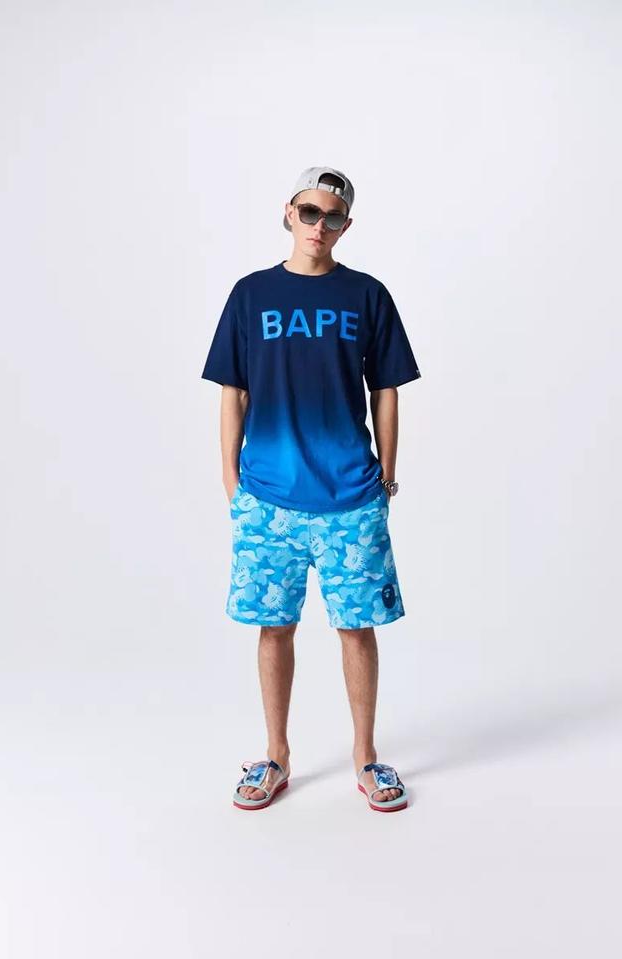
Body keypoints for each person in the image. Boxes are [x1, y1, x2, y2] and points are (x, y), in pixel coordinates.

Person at [201, 166, 421, 812]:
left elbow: (386, 388)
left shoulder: (367, 295)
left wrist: (385, 473)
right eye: (309, 211)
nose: (319, 225)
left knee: (357, 628)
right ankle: (276, 755)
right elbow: (233, 389)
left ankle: (366, 758)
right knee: (274, 628)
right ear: (288, 212)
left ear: (345, 226)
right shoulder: (251, 295)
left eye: (332, 216)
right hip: (267, 496)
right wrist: (231, 478)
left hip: (350, 496)